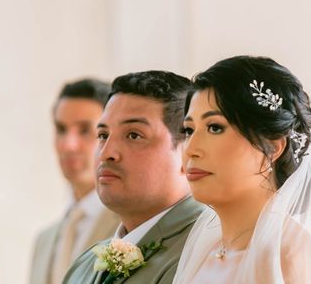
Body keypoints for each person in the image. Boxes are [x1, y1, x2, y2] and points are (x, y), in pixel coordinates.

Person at [174, 56, 311, 284]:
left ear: (272, 148)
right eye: (188, 130)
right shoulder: (209, 248)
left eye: (215, 128)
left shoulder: (288, 257)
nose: (191, 150)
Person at [63, 71, 204, 284]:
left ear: (187, 152)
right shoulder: (84, 264)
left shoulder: (207, 257)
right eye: (102, 135)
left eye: (134, 135)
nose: (106, 153)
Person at [30, 79, 119, 284]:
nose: (68, 145)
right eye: (61, 129)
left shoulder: (131, 227)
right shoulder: (43, 242)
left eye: (85, 130)